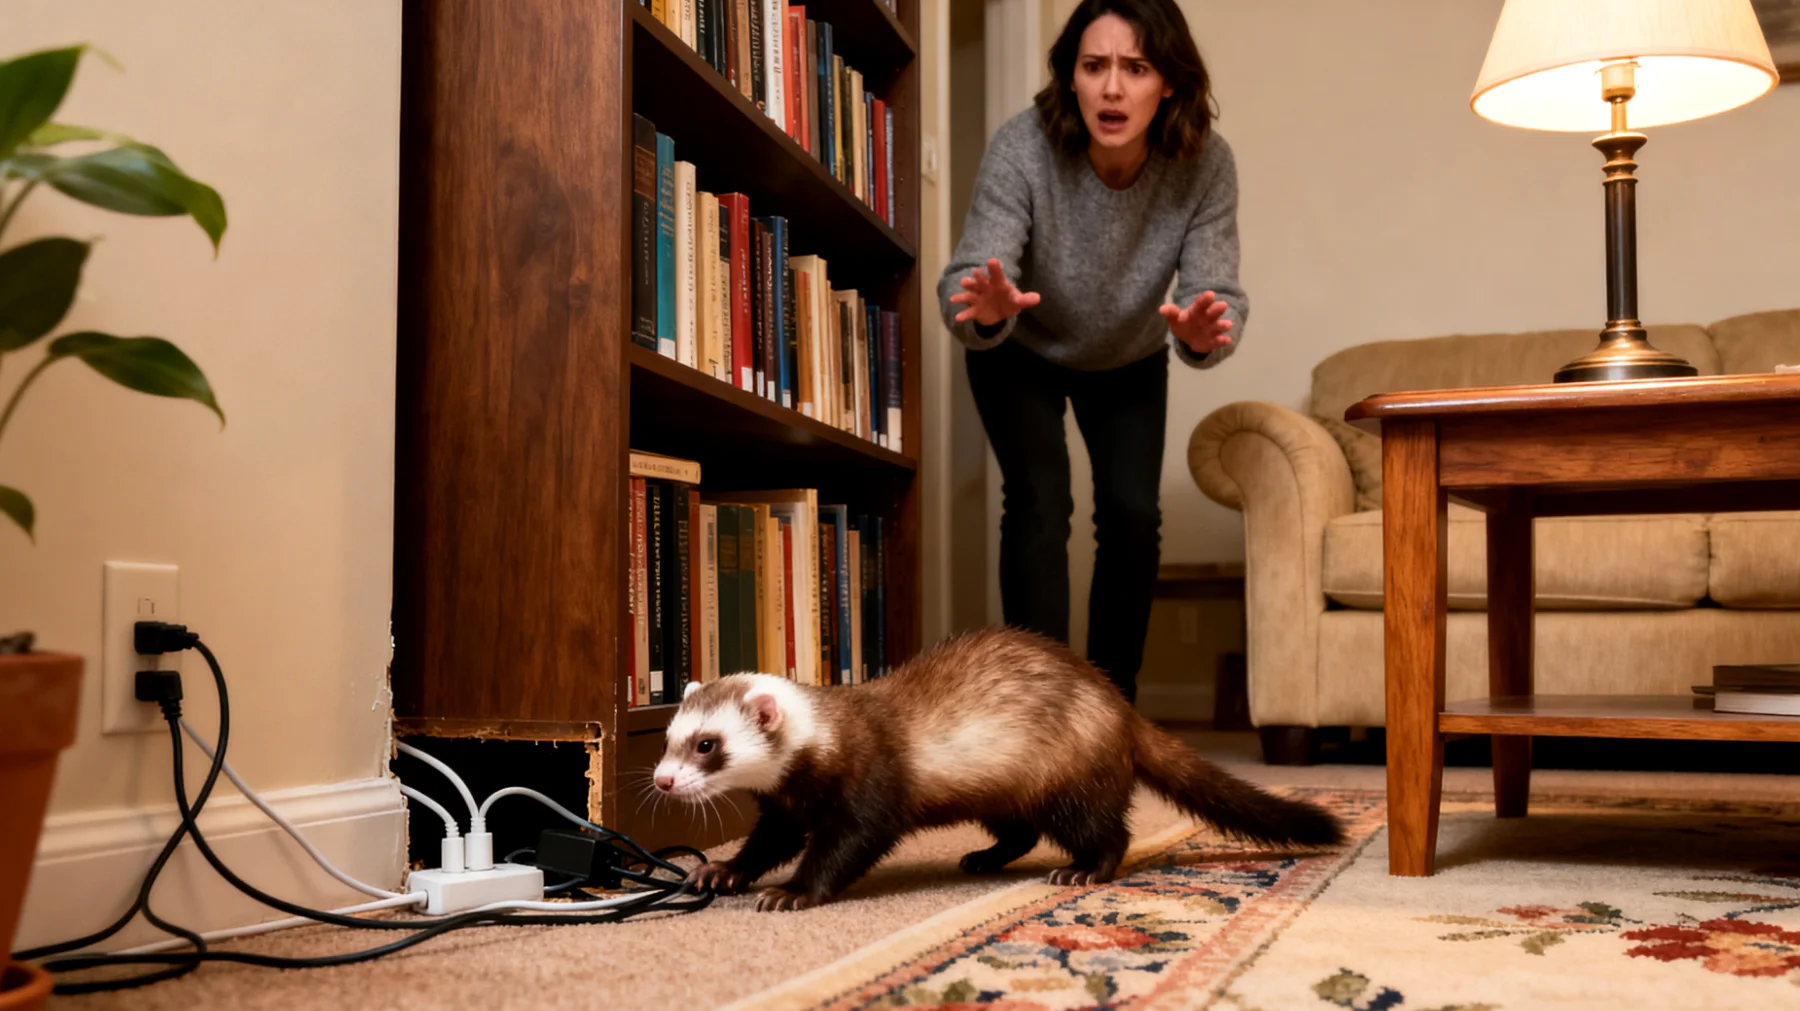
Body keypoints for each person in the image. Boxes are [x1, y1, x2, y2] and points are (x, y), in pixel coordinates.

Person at [938, 0, 1246, 703]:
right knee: (1041, 501)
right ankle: (1038, 709)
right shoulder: (1023, 146)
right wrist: (981, 307)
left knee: (1134, 513)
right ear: (1070, 78)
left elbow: (1215, 292)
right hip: (1020, 346)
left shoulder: (1205, 163)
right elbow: (968, 279)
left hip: (1130, 355)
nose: (1112, 88)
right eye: (1094, 65)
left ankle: (1112, 711)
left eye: (1135, 68)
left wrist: (1205, 331)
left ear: (1167, 81)